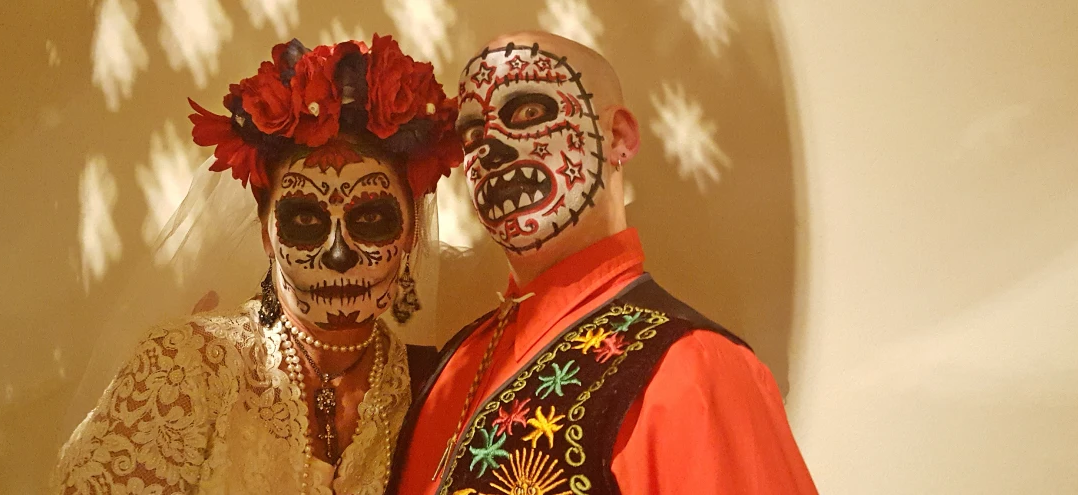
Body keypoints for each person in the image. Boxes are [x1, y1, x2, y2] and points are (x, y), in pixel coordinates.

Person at [388, 31, 817, 495]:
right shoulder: (455, 363)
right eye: (473, 134)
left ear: (617, 137)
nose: (489, 150)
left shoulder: (692, 369)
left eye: (529, 113)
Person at [51, 34, 461, 494]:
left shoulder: (430, 391)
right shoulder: (188, 368)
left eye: (370, 220)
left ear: (409, 233)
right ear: (266, 232)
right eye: (304, 219)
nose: (338, 254)